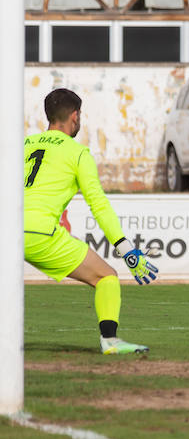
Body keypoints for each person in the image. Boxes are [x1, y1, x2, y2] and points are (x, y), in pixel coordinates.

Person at [24, 88, 160, 355]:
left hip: (7, 229)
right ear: (75, 116)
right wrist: (126, 250)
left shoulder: (24, 145)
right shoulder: (78, 153)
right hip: (39, 232)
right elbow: (98, 204)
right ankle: (110, 341)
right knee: (106, 276)